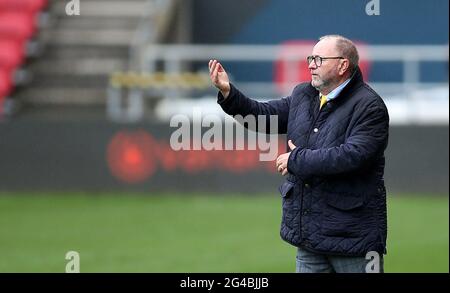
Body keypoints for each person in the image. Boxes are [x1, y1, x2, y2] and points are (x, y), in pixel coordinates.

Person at [208, 35, 389, 273]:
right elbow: (263, 116)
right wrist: (229, 93)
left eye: (319, 59)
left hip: (353, 239)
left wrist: (296, 159)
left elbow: (352, 156)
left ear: (343, 65)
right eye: (310, 58)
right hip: (309, 237)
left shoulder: (370, 106)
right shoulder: (304, 94)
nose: (311, 64)